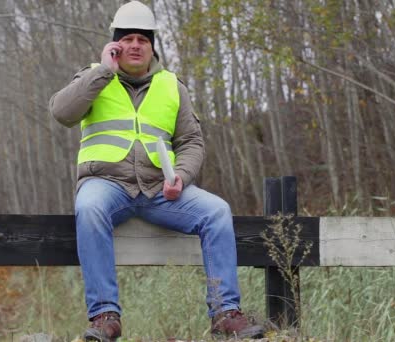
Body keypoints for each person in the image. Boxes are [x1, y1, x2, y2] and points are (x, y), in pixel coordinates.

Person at [49, 1, 265, 340]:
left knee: (217, 212)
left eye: (143, 39)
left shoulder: (172, 85)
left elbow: (192, 141)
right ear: (115, 45)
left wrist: (181, 175)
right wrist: (102, 71)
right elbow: (61, 112)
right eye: (128, 38)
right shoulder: (94, 77)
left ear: (152, 46)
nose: (136, 45)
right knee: (88, 208)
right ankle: (104, 316)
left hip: (159, 190)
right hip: (106, 185)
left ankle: (225, 313)